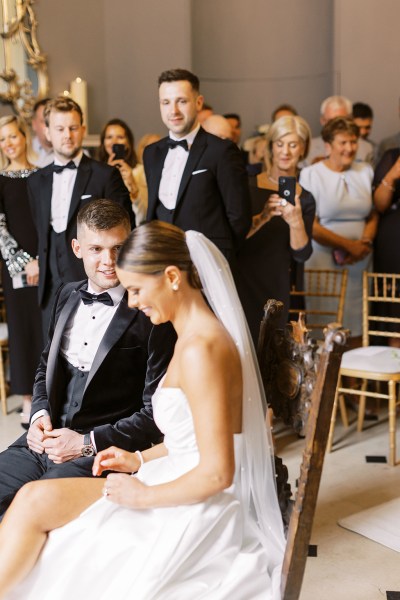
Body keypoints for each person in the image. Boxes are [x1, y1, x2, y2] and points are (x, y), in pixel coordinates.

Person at [0, 221, 285, 599]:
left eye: (136, 289)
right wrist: (136, 458)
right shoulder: (193, 337)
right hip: (166, 470)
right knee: (33, 504)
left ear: (171, 277)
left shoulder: (202, 349)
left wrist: (141, 495)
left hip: (193, 499)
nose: (132, 301)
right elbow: (194, 438)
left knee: (36, 505)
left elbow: (218, 472)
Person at [0, 200, 175, 518]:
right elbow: (44, 367)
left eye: (118, 248)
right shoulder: (65, 295)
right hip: (44, 441)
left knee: (31, 511)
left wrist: (85, 442)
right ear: (77, 248)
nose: (108, 261)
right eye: (96, 249)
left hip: (103, 451)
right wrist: (39, 415)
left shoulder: (153, 313)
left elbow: (154, 416)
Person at [27, 96, 132, 338]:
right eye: (60, 129)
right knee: (52, 356)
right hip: (49, 290)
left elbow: (125, 231)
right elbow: (40, 232)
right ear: (48, 132)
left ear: (82, 130)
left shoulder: (105, 176)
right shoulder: (35, 182)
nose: (67, 135)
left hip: (95, 284)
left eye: (73, 128)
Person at [144, 68, 251, 267]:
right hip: (161, 263)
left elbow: (239, 218)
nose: (173, 111)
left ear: (198, 103)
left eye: (181, 101)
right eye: (166, 102)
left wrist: (217, 259)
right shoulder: (151, 153)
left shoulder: (222, 150)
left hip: (209, 264)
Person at [299, 117, 378, 345]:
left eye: (353, 142)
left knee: (357, 320)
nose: (349, 148)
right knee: (325, 323)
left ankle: (354, 377)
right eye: (343, 142)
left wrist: (364, 243)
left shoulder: (365, 170)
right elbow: (310, 225)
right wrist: (349, 246)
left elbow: (373, 214)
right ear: (328, 145)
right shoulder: (311, 174)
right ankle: (327, 377)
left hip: (360, 260)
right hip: (323, 260)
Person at [238, 116, 315, 342]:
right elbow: (235, 238)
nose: (286, 152)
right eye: (280, 144)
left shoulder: (306, 197)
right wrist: (262, 217)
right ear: (271, 147)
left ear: (303, 149)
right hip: (243, 276)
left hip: (277, 282)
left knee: (271, 350)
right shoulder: (248, 185)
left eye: (293, 145)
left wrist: (296, 221)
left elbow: (301, 253)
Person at [0, 115, 43, 428]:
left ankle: (48, 397)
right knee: (22, 329)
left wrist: (41, 260)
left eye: (12, 136)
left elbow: (51, 222)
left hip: (45, 266)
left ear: (24, 137)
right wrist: (23, 262)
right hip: (14, 266)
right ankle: (28, 400)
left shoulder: (43, 176)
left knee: (46, 327)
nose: (8, 144)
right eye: (2, 140)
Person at [372, 146, 400, 345]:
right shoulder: (392, 156)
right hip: (395, 242)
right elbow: (379, 206)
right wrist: (393, 174)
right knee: (394, 311)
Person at [98, 118, 147, 225]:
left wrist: (133, 184)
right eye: (109, 137)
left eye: (120, 137)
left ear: (128, 143)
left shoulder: (141, 172)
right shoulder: (95, 173)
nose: (114, 142)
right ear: (103, 142)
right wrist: (108, 175)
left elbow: (143, 215)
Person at [305, 95, 374, 166]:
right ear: (322, 121)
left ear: (350, 120)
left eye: (340, 121)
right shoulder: (308, 148)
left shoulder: (365, 148)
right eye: (331, 121)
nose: (335, 126)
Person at [30, 98, 54, 167]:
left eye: (52, 121)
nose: (48, 126)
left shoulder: (70, 152)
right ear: (34, 124)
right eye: (43, 121)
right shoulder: (23, 150)